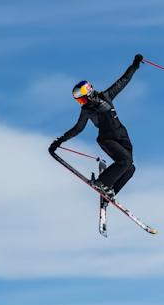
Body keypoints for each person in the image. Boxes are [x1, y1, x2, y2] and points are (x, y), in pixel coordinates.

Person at [49, 54, 143, 199]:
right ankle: (102, 182)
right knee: (125, 161)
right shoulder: (86, 111)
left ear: (88, 94)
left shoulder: (106, 96)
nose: (80, 102)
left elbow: (123, 80)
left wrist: (135, 65)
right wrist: (60, 140)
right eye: (78, 101)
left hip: (121, 135)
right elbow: (77, 129)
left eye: (80, 99)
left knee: (130, 167)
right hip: (107, 139)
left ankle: (110, 191)